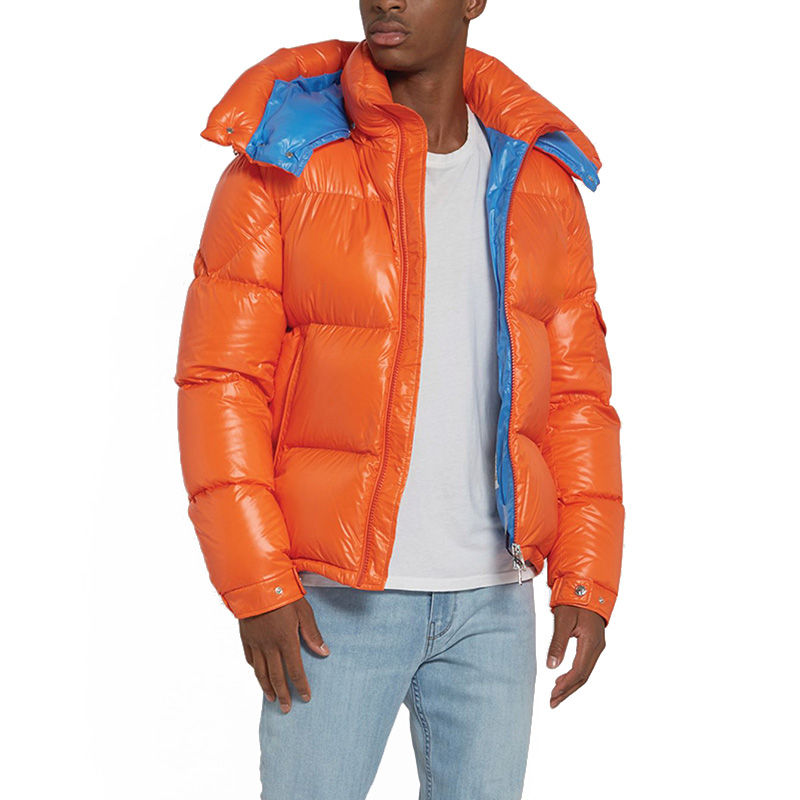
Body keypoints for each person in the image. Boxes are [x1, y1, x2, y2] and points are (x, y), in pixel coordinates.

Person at [175, 1, 624, 797]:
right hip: (331, 601)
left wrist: (587, 577)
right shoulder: (284, 159)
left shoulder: (541, 183)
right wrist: (256, 581)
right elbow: (222, 381)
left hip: (494, 602)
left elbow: (577, 398)